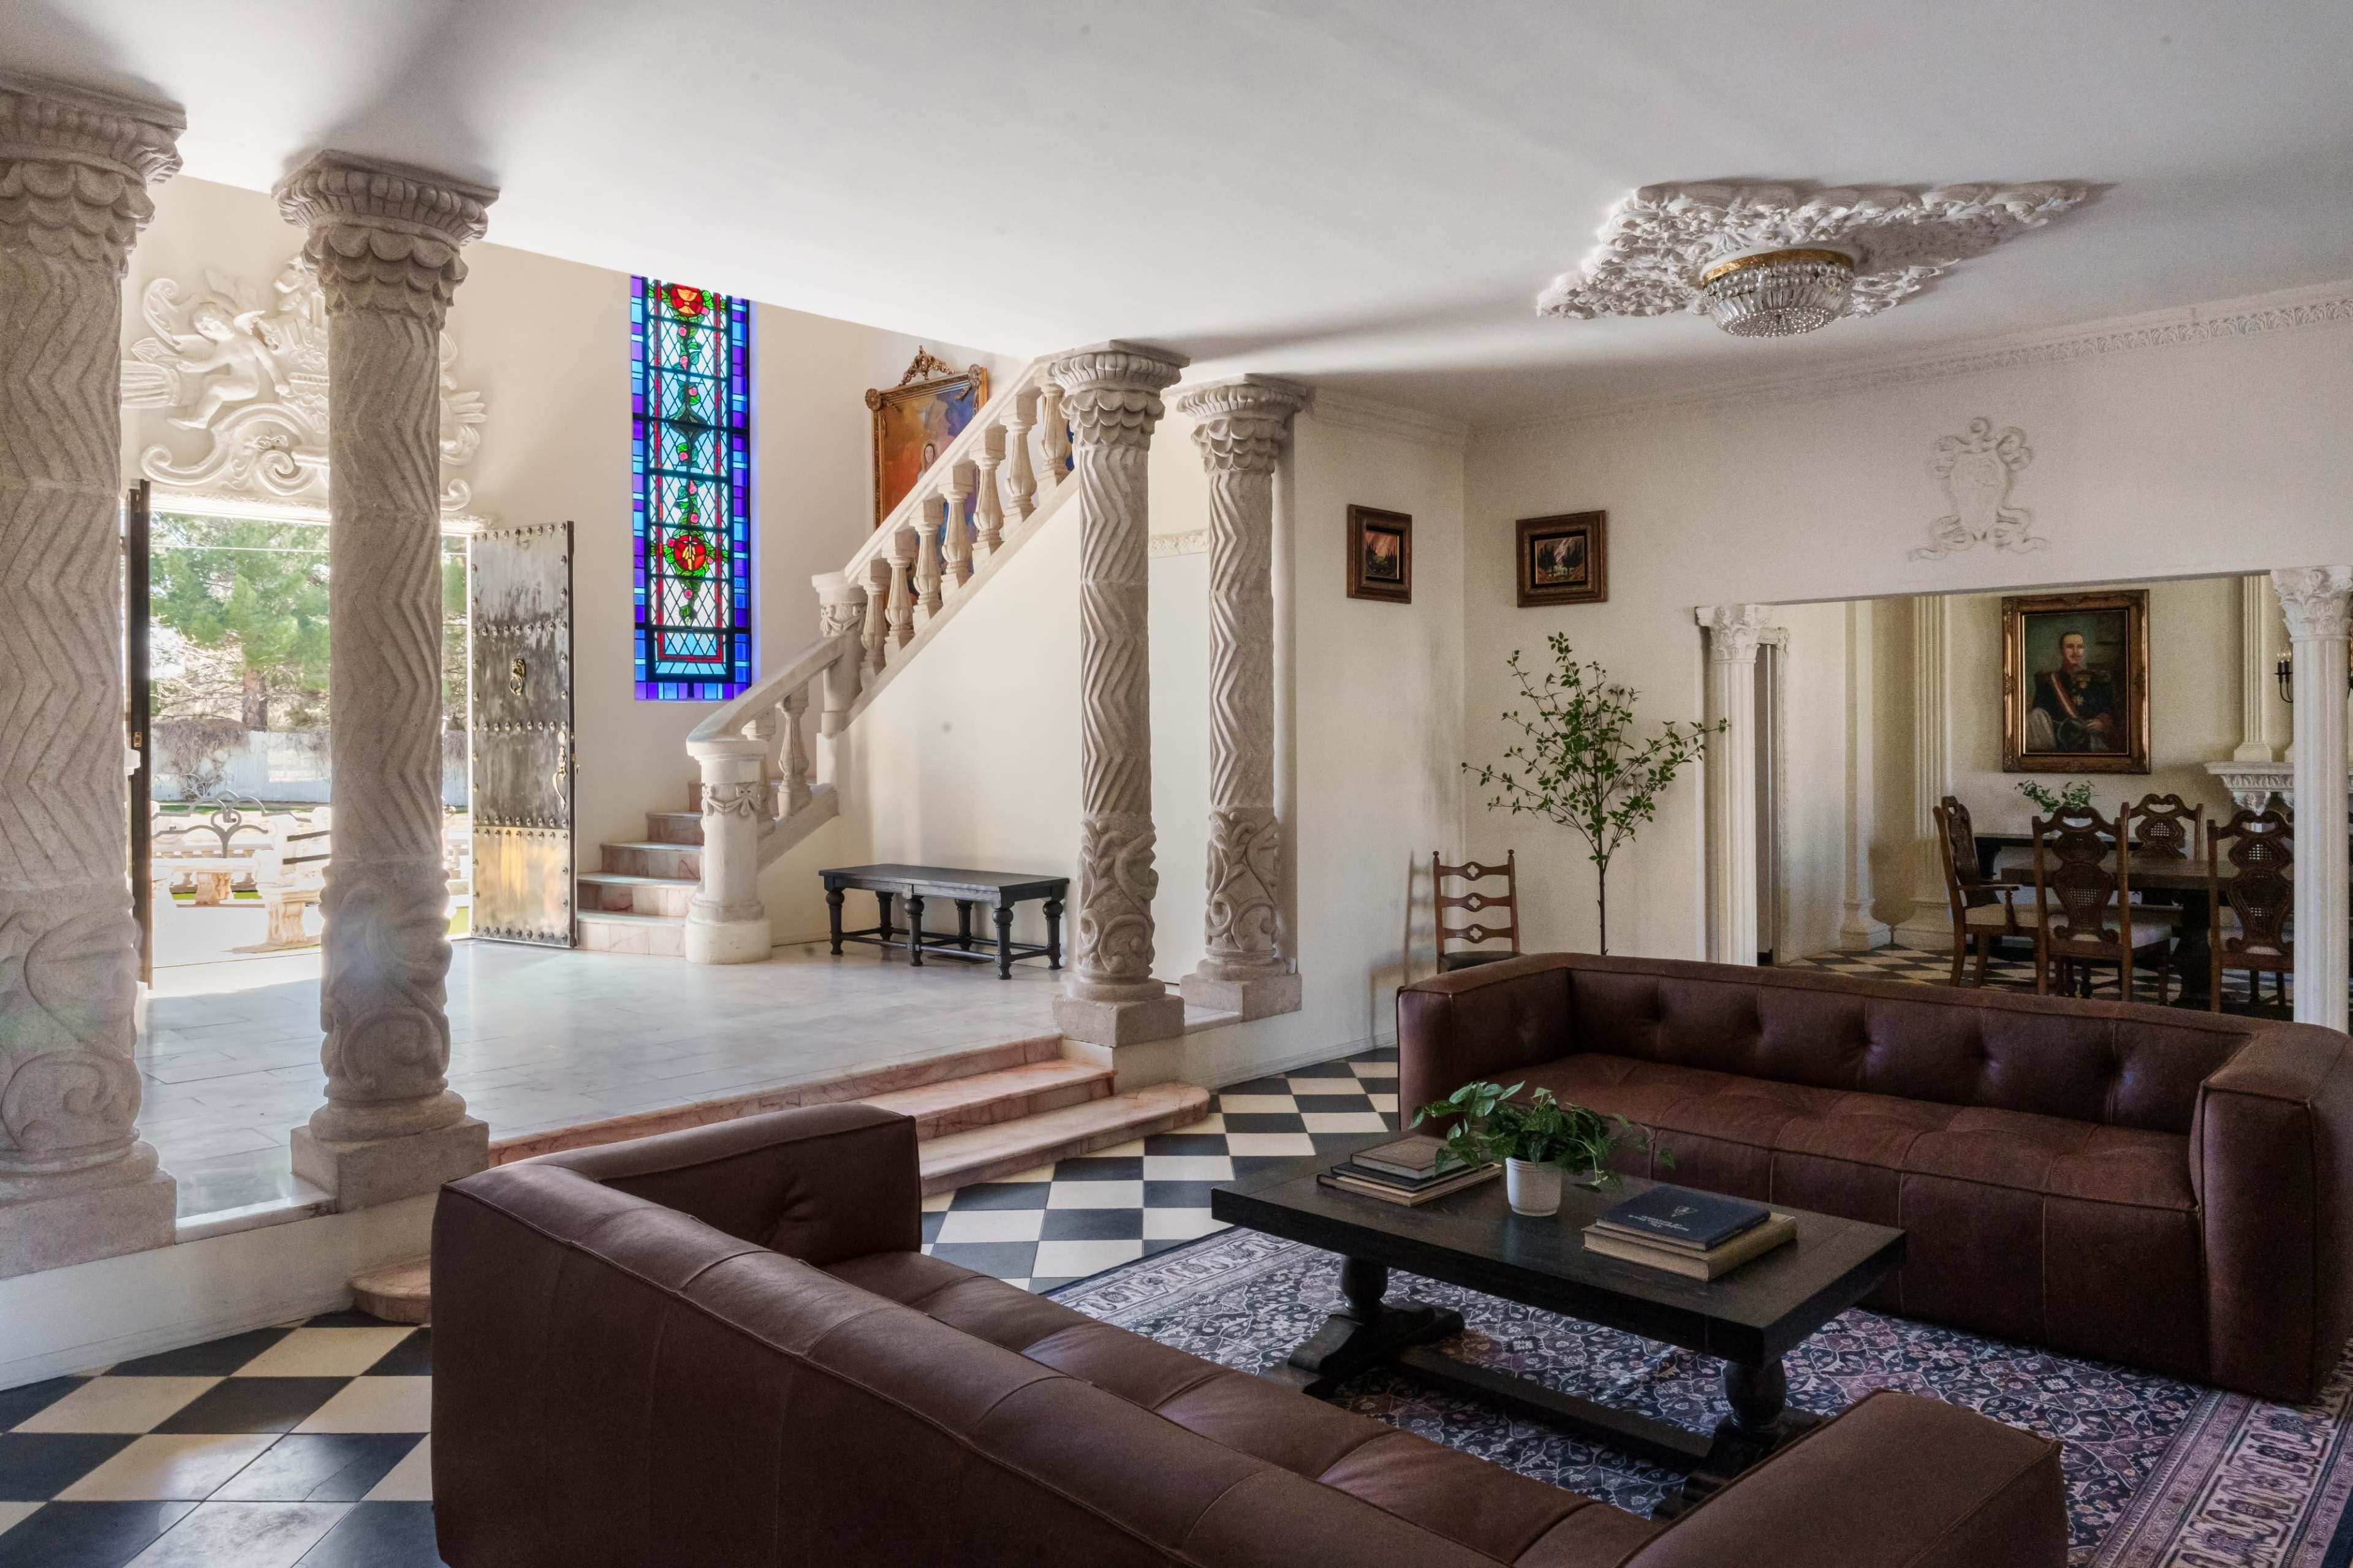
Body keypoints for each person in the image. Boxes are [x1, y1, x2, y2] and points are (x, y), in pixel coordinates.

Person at [2026, 630, 2119, 752]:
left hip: (2087, 741)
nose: (2076, 652)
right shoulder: (2047, 682)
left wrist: (2102, 723)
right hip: (2056, 743)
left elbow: (2109, 711)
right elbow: (2037, 719)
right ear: (2061, 650)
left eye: (2080, 647)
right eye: (2070, 647)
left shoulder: (2096, 681)